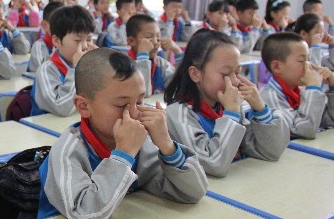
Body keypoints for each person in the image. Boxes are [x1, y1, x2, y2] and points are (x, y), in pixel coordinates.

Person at [37, 48, 208, 219]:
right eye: (122, 105)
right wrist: (124, 155)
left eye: (140, 101)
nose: (134, 113)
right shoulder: (67, 152)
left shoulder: (142, 142)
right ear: (84, 106)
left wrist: (167, 145)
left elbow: (194, 192)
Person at [164, 29, 289, 177]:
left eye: (237, 73)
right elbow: (214, 164)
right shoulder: (178, 114)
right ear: (195, 73)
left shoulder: (227, 106)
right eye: (225, 74)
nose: (235, 81)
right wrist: (231, 115)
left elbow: (271, 152)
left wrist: (261, 109)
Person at [260, 32, 334, 139]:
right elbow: (304, 131)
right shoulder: (269, 97)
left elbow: (329, 121)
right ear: (276, 67)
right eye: (302, 61)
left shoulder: (300, 89)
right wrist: (313, 88)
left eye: (309, 60)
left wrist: (332, 88)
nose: (309, 66)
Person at [31, 5, 97, 116]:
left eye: (89, 39)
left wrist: (102, 64)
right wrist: (77, 69)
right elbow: (62, 108)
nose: (85, 46)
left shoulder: (89, 66)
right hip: (47, 125)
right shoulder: (47, 70)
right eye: (78, 40)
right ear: (57, 41)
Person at [125, 14, 182, 96]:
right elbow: (142, 95)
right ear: (131, 41)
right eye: (148, 37)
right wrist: (143, 56)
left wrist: (178, 53)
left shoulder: (161, 64)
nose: (155, 42)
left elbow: (180, 88)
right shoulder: (124, 65)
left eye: (158, 36)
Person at [28, 2, 64, 72]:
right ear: (45, 25)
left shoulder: (71, 44)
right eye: (58, 23)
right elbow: (43, 71)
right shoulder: (39, 46)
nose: (63, 28)